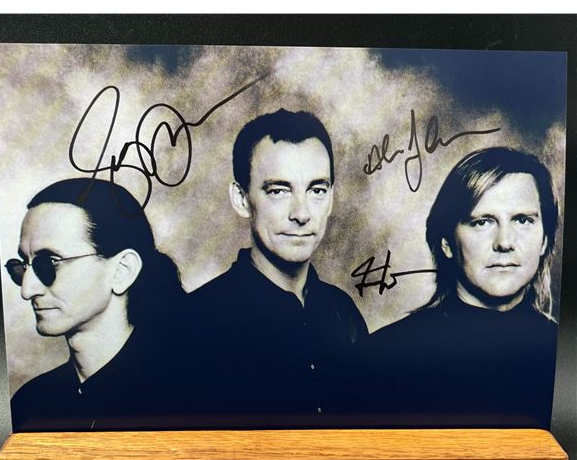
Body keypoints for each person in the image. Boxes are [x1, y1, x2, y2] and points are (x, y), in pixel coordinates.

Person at [190, 109, 368, 426]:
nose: (301, 214)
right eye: (278, 191)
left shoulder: (344, 313)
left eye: (316, 190)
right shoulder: (194, 322)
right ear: (241, 199)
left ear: (330, 198)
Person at [364, 147, 560, 428]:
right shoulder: (382, 359)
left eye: (522, 220)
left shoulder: (564, 355)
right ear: (446, 243)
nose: (505, 242)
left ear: (544, 241)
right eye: (482, 222)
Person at [7, 177, 190, 431]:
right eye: (22, 267)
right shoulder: (30, 405)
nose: (27, 290)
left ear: (122, 271)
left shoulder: (186, 395)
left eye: (49, 263)